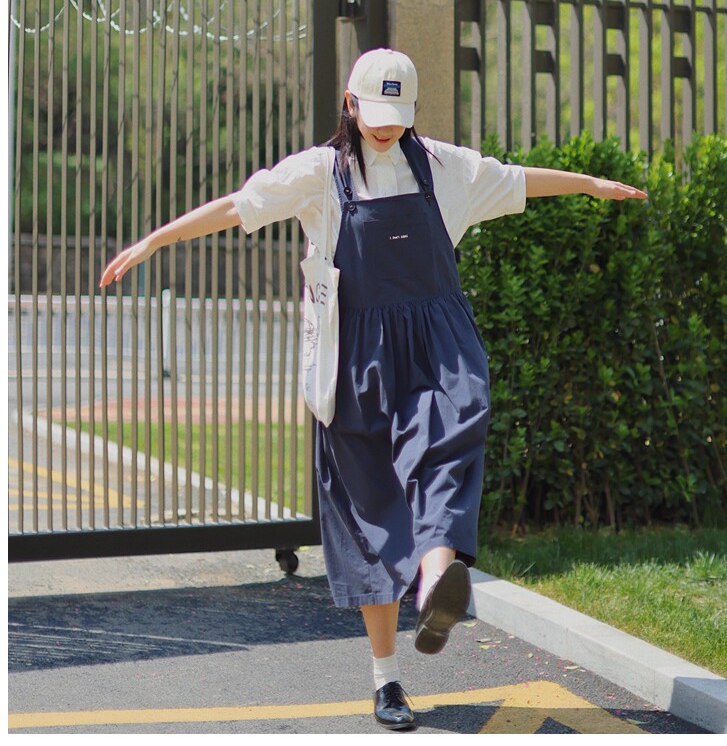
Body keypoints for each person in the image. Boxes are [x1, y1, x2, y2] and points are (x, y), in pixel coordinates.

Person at [101, 47, 647, 730]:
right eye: (376, 113)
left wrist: (590, 184)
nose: (386, 127)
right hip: (354, 356)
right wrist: (156, 240)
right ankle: (387, 679)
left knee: (448, 444)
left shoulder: (445, 167)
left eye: (398, 115)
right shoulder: (318, 174)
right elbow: (240, 207)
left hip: (437, 345)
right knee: (370, 510)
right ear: (351, 105)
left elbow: (516, 179)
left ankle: (438, 578)